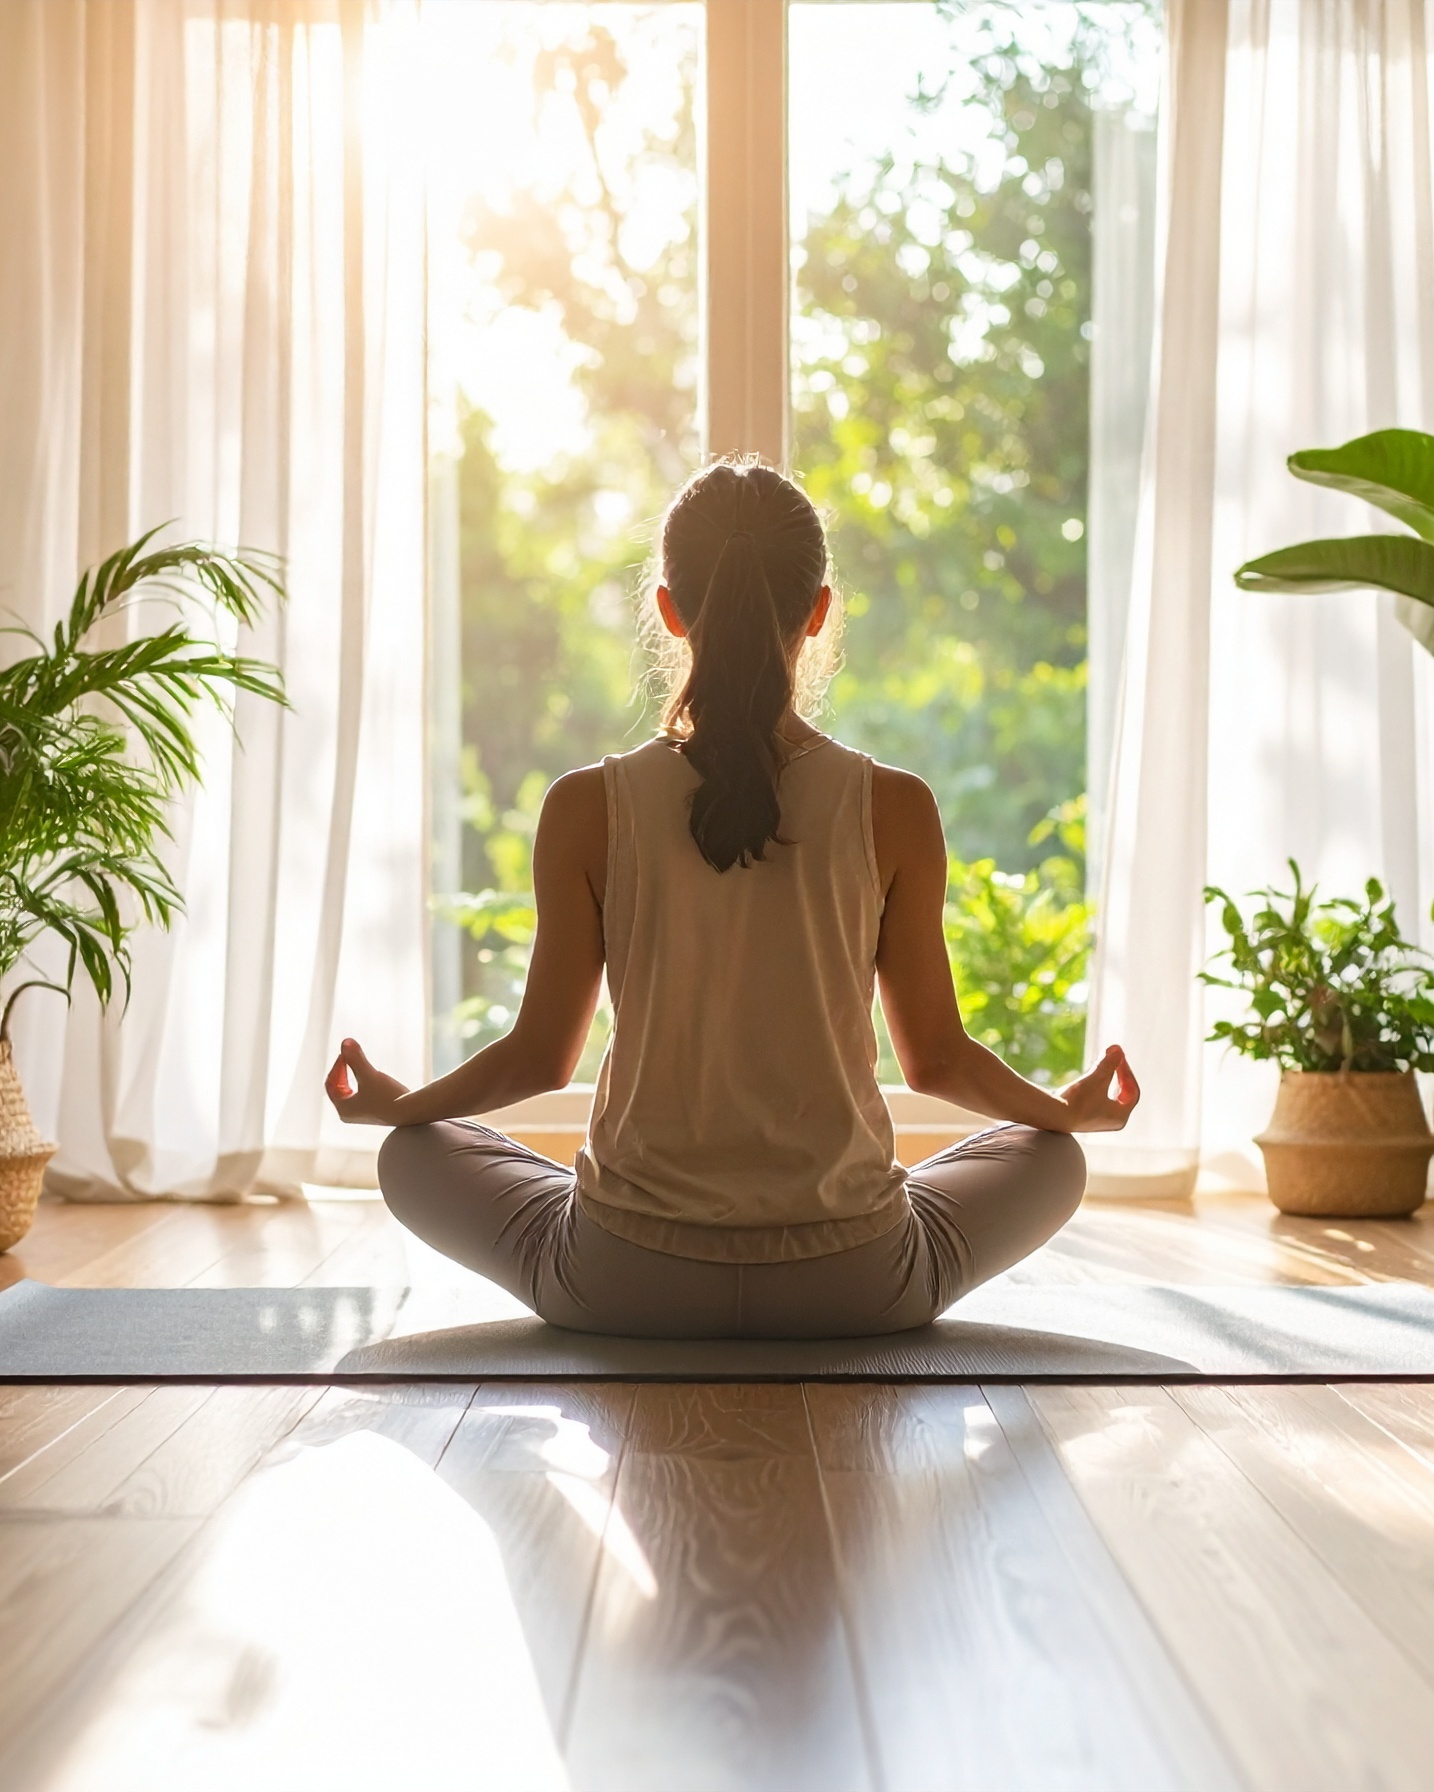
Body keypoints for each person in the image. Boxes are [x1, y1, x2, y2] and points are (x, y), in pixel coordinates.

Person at [325, 460, 1139, 1339]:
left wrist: (401, 1108)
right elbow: (936, 1061)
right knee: (1052, 1161)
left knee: (415, 1155)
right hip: (858, 1283)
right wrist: (1064, 1113)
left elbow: (539, 1061)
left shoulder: (584, 806)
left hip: (624, 1281)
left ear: (671, 610)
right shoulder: (896, 806)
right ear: (819, 612)